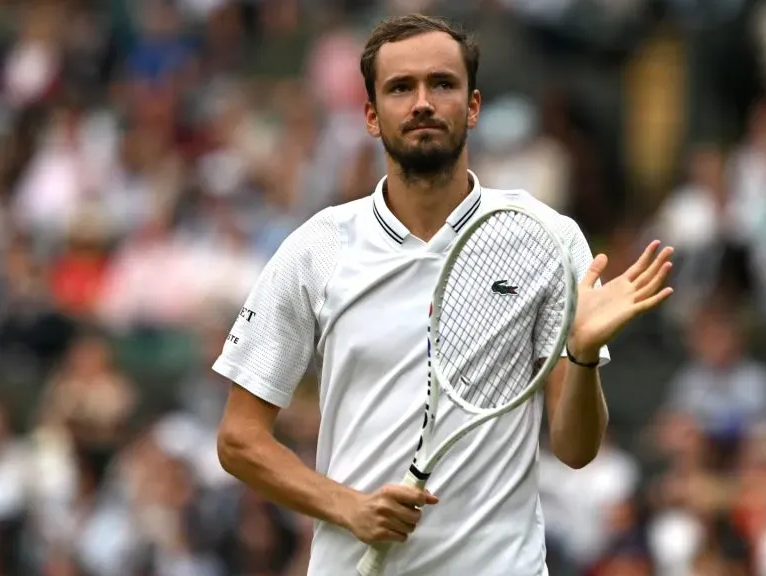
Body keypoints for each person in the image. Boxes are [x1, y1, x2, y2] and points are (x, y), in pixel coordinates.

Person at [214, 13, 675, 576]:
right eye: (401, 88)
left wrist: (580, 355)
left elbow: (577, 450)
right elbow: (239, 440)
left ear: (473, 106)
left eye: (443, 84)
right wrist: (349, 507)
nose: (423, 102)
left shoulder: (548, 239)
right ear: (370, 115)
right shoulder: (318, 248)